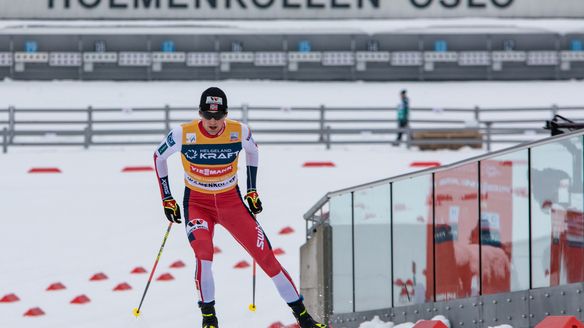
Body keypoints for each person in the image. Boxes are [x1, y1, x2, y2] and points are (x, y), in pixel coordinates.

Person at [153, 87, 326, 328]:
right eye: (207, 115)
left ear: (225, 114)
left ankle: (303, 317)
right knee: (203, 254)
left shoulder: (239, 131)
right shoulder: (183, 133)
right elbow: (159, 157)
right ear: (200, 113)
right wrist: (167, 198)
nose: (213, 122)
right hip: (197, 203)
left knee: (266, 257)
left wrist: (252, 190)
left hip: (230, 202)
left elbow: (253, 152)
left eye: (218, 115)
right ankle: (209, 318)